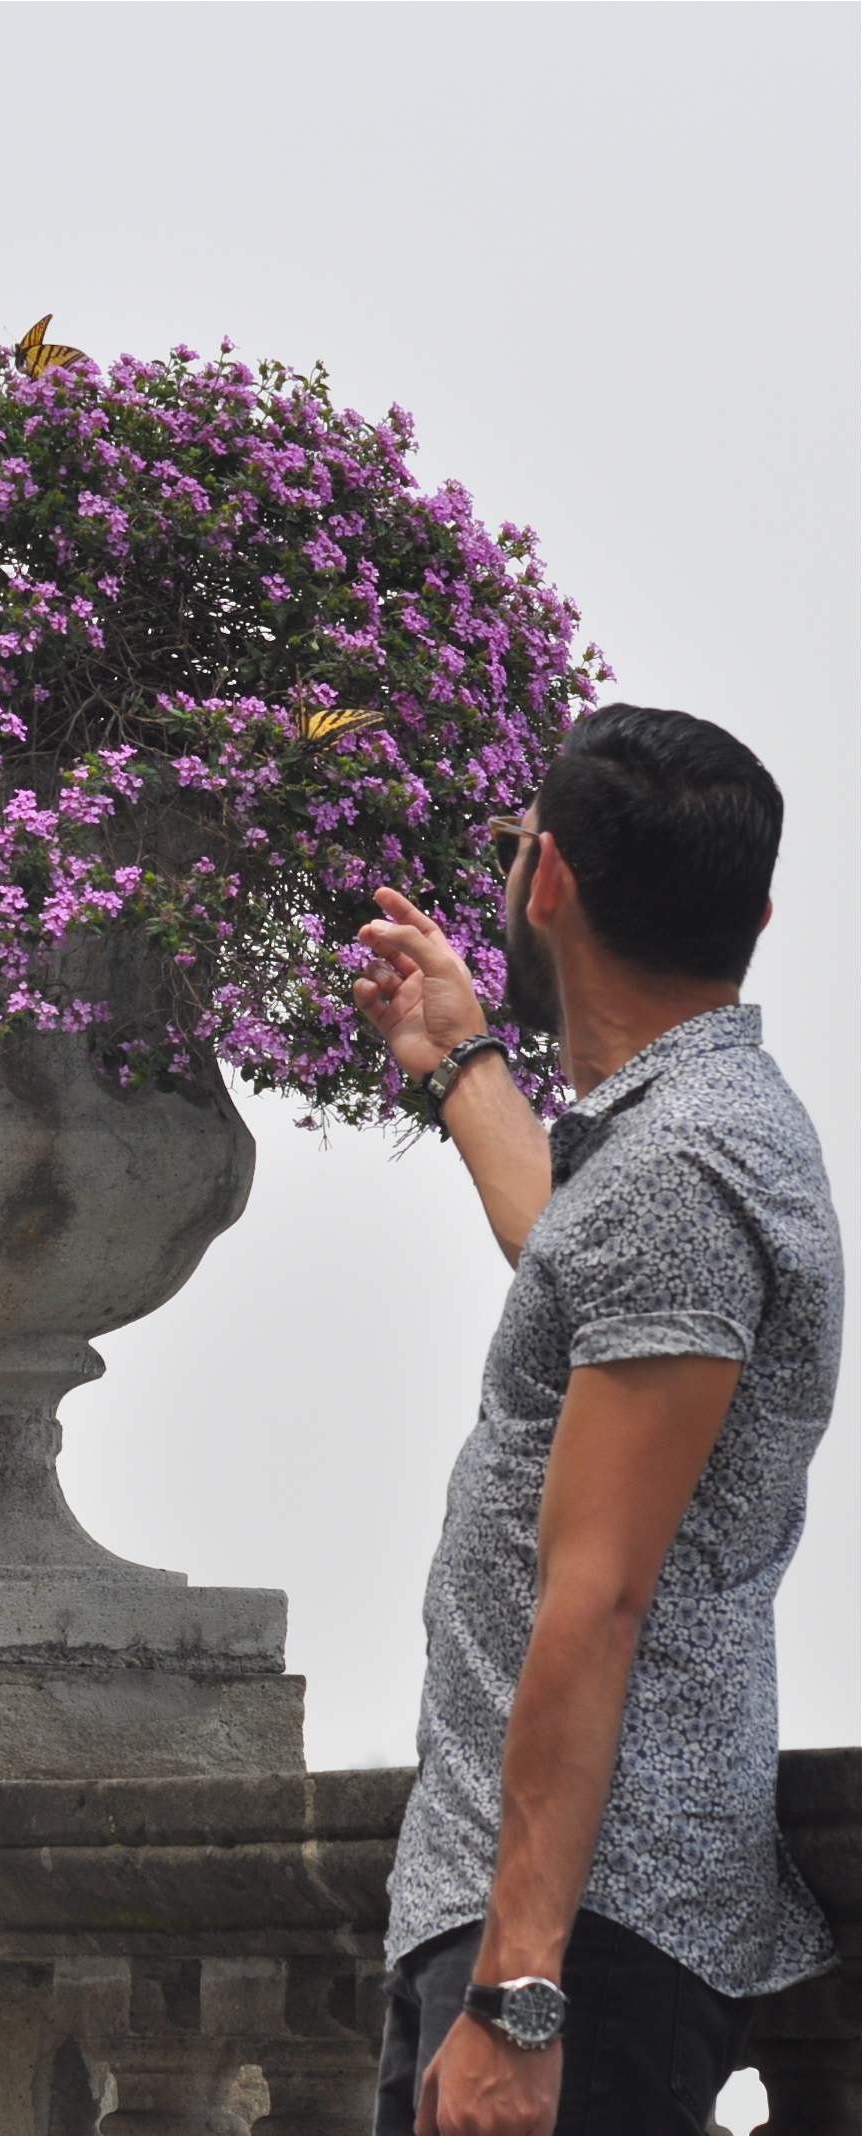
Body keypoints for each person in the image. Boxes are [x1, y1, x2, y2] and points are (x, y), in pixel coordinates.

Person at [352, 703, 843, 2136]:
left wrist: (518, 1996)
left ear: (549, 880)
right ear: (754, 915)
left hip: (581, 1944)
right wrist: (459, 1060)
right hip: (566, 1916)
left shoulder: (681, 1172)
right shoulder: (688, 1140)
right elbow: (579, 1258)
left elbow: (600, 1596)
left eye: (516, 846)